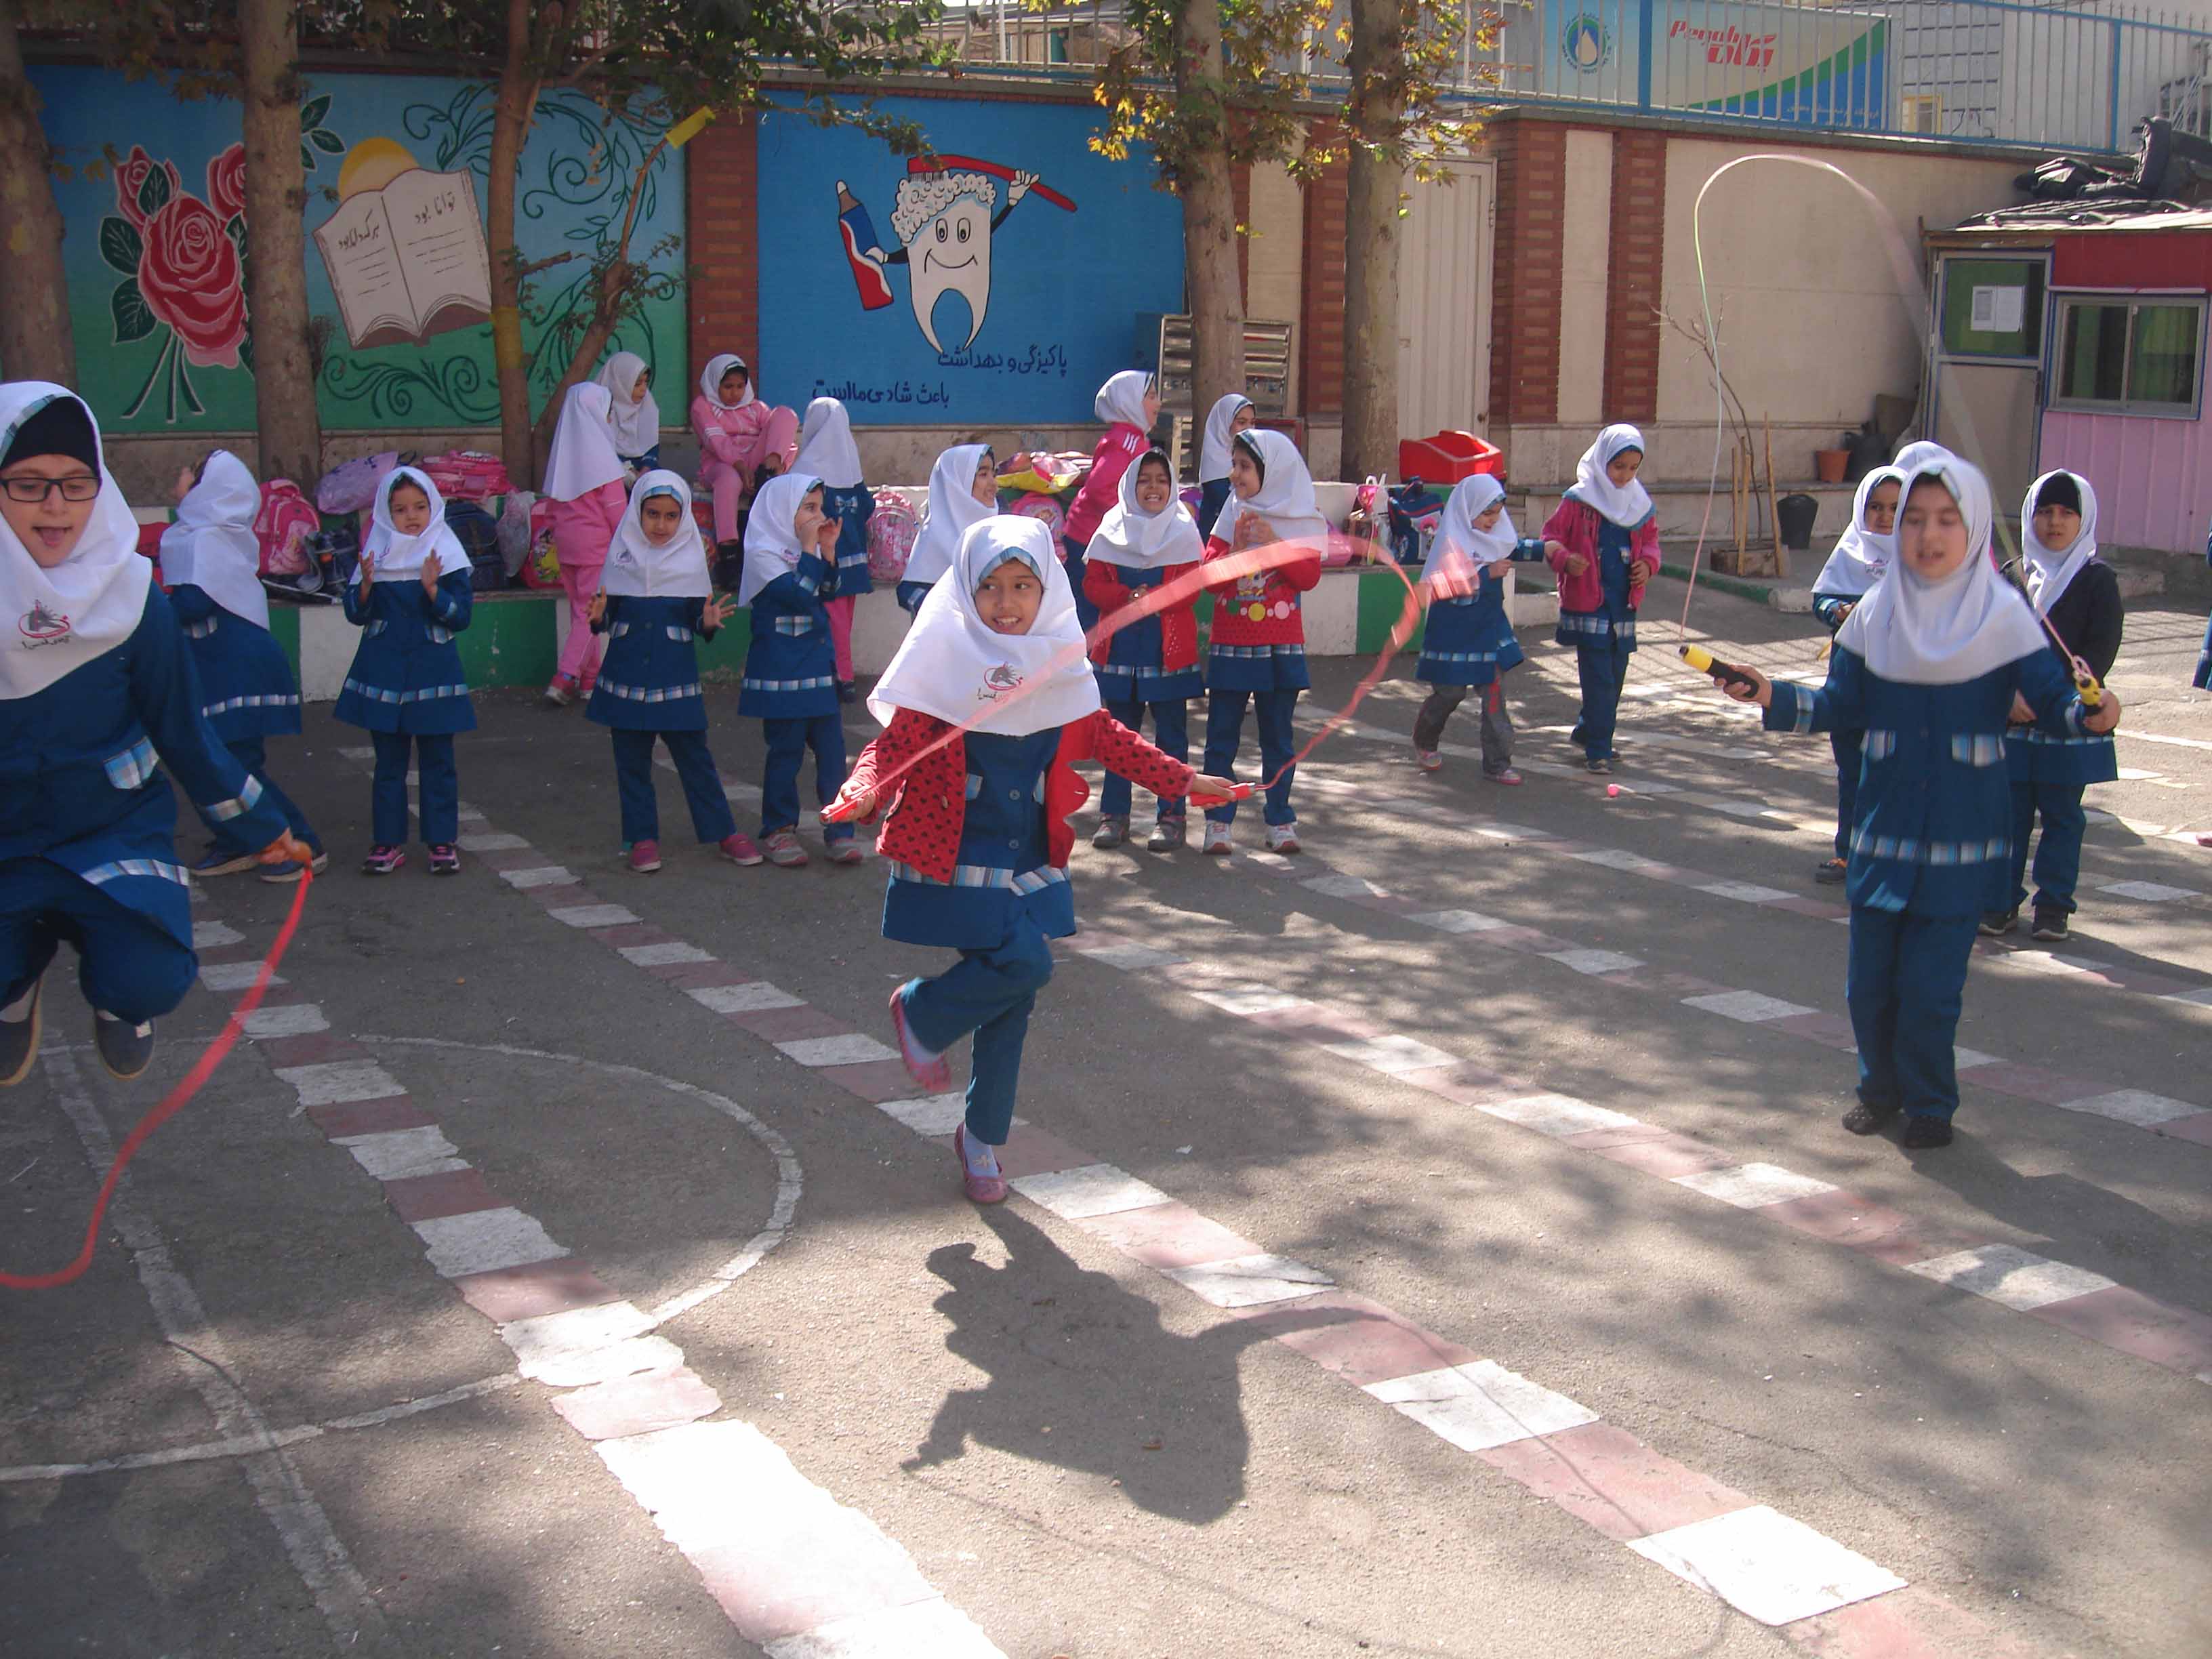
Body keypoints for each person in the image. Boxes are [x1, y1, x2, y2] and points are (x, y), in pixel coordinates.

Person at [1715, 453, 2120, 1150]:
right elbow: (1841, 706)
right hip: (1882, 835)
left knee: (1931, 993)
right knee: (1868, 988)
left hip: (1964, 841)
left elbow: (2055, 700)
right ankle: (1880, 1088)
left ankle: (1932, 1101)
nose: (1929, 536)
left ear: (1973, 532)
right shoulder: (1873, 615)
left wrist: (2092, 713)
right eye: (1915, 520)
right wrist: (1773, 694)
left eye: (1948, 520)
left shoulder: (2002, 614)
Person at [829, 517, 1236, 1203]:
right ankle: (922, 1012)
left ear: (1047, 591)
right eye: (990, 587)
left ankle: (981, 1141)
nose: (1007, 602)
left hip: (1024, 851)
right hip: (955, 848)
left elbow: (1108, 738)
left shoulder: (1057, 663)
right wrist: (863, 789)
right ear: (965, 590)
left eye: (1023, 586)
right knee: (1026, 963)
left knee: (1011, 998)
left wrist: (1184, 782)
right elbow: (893, 747)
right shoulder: (946, 661)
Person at [1, 383, 302, 1085]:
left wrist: (262, 825)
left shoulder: (135, 597)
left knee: (152, 976)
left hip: (111, 828)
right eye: (29, 484)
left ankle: (119, 1005)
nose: (56, 506)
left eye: (76, 484)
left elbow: (184, 733)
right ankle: (13, 996)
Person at [161, 449, 324, 882]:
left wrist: (154, 607)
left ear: (206, 490)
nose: (178, 474)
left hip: (236, 668)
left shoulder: (205, 538)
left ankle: (301, 843)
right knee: (219, 763)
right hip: (220, 666)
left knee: (238, 768)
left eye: (190, 472)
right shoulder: (201, 534)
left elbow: (193, 604)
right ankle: (240, 840)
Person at [587, 472, 763, 872]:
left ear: (682, 519)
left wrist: (708, 623)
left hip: (675, 682)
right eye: (652, 514)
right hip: (627, 681)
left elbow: (694, 621)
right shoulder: (620, 559)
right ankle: (642, 838)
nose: (661, 525)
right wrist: (597, 620)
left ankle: (723, 831)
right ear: (637, 513)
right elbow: (607, 616)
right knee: (632, 763)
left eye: (670, 516)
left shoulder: (690, 564)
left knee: (695, 758)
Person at [1990, 470, 2122, 942]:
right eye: (2045, 511)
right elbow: (1990, 644)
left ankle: (2053, 908)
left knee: (2064, 819)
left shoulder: (2096, 580)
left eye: (2068, 512)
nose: (2054, 522)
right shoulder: (2012, 576)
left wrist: (2052, 696)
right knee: (2007, 817)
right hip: (2014, 720)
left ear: (2084, 519)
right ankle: (2000, 902)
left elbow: (2100, 651)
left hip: (2068, 718)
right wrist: (2007, 693)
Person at [336, 468, 477, 877]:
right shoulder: (374, 555)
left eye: (419, 507)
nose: (411, 516)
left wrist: (434, 591)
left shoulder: (445, 555)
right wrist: (363, 588)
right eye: (399, 510)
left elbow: (461, 616)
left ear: (434, 507)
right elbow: (354, 613)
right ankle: (388, 842)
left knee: (438, 761)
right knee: (389, 764)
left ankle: (441, 841)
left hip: (433, 673)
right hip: (384, 673)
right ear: (384, 514)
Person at [1200, 428, 1325, 855]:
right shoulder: (1229, 514)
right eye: (1233, 465)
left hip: (1279, 648)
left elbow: (1308, 577)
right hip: (1232, 645)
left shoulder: (1301, 517)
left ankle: (1280, 819)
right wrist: (1235, 548)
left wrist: (1275, 543)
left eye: (1244, 466)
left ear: (1272, 472)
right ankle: (1218, 822)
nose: (1235, 475)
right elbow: (1210, 579)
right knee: (1221, 738)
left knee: (1278, 739)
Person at [1082, 447, 1204, 850]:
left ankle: (1171, 816)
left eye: (1162, 479)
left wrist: (1154, 599)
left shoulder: (1185, 531)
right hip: (1120, 652)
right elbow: (1093, 586)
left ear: (1173, 486)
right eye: (1145, 480)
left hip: (1166, 653)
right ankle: (1114, 816)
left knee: (1171, 735)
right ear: (1130, 485)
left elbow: (1191, 588)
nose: (1153, 488)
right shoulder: (1108, 530)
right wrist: (1126, 595)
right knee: (1118, 737)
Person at [738, 471, 859, 869]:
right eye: (809, 508)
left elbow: (826, 590)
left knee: (832, 753)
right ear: (782, 511)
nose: (818, 516)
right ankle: (778, 830)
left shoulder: (804, 552)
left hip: (817, 672)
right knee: (785, 753)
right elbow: (796, 595)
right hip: (780, 674)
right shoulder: (764, 554)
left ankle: (840, 830)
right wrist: (810, 550)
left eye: (819, 508)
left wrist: (827, 555)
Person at [1410, 472, 1544, 782]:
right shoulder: (1450, 543)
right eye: (1486, 514)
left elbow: (1516, 547)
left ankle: (1498, 762)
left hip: (1489, 629)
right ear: (1468, 510)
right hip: (1454, 633)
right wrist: (1486, 575)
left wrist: (1549, 550)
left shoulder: (1498, 536)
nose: (1492, 521)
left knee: (1495, 693)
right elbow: (1438, 586)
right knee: (1450, 693)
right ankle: (1425, 738)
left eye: (1497, 514)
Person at [1543, 424, 1660, 775]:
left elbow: (1652, 543)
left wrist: (1648, 565)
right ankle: (1599, 749)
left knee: (1616, 673)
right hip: (1589, 602)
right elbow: (1551, 537)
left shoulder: (1640, 504)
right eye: (1618, 466)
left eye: (1633, 467)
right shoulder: (1577, 500)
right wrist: (1565, 559)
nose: (1625, 475)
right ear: (1602, 460)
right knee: (1599, 678)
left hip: (1622, 604)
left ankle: (1588, 731)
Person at [1807, 467, 1904, 883]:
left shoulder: (1918, 555)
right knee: (1852, 770)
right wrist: (1837, 611)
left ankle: (1887, 854)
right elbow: (1823, 596)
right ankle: (1848, 852)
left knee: (1890, 773)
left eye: (1896, 509)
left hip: (1898, 685)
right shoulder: (1850, 550)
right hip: (1850, 680)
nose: (1884, 518)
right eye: (1875, 507)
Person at [540, 380, 629, 708]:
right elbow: (617, 516)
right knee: (587, 614)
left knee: (582, 609)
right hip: (597, 552)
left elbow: (551, 510)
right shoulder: (606, 465)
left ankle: (591, 679)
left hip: (568, 550)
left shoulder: (561, 460)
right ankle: (565, 676)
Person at [1059, 370, 1160, 629]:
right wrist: (1134, 514)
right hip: (1088, 539)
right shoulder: (1125, 442)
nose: (1158, 404)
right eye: (1150, 396)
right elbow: (1099, 489)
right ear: (1130, 402)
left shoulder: (1136, 440)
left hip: (1098, 539)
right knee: (1088, 611)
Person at [793, 396, 874, 703]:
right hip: (855, 563)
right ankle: (844, 674)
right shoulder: (851, 463)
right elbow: (867, 505)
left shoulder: (805, 472)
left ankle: (841, 677)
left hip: (825, 562)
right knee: (845, 622)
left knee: (829, 621)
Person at [691, 353, 799, 552]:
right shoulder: (703, 406)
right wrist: (741, 468)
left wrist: (779, 464)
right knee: (729, 479)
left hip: (757, 464)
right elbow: (716, 441)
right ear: (715, 384)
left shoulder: (756, 408)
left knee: (785, 415)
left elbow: (785, 442)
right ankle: (728, 548)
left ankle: (765, 476)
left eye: (740, 386)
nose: (735, 393)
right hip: (720, 465)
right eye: (728, 387)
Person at [899, 443, 997, 616]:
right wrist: (955, 614)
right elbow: (908, 593)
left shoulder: (1001, 527)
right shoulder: (934, 536)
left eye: (993, 474)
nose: (993, 484)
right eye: (983, 475)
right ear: (956, 484)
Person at [1195, 392, 1255, 541]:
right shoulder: (1215, 469)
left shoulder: (1254, 459)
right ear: (1223, 424)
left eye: (1252, 422)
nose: (1249, 429)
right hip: (1216, 548)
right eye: (1241, 422)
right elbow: (1234, 510)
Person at [596, 350, 661, 472]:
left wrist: (645, 469)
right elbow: (600, 451)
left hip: (643, 472)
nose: (644, 389)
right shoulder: (601, 412)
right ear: (618, 385)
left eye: (646, 382)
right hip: (609, 472)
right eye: (637, 384)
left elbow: (652, 446)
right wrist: (627, 471)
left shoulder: (648, 405)